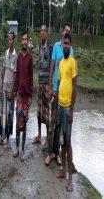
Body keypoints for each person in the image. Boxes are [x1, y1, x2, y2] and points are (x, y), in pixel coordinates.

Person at [45, 23, 74, 167]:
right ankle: (50, 153)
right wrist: (50, 87)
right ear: (62, 31)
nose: (67, 33)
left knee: (62, 127)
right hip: (55, 91)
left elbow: (71, 74)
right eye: (66, 30)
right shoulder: (56, 47)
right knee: (52, 123)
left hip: (65, 96)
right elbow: (52, 67)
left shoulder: (71, 50)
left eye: (69, 31)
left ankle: (58, 155)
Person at [55, 33, 77, 192]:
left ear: (71, 45)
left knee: (68, 142)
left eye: (68, 43)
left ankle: (70, 179)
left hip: (68, 107)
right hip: (60, 106)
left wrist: (72, 111)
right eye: (64, 43)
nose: (66, 46)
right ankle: (62, 169)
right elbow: (60, 82)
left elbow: (75, 87)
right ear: (61, 45)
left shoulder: (73, 62)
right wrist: (57, 107)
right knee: (62, 140)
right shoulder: (61, 63)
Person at [13, 31, 33, 161]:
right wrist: (14, 91)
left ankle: (23, 150)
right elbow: (17, 76)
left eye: (26, 39)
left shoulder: (30, 57)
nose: (24, 42)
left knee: (24, 123)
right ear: (21, 42)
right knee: (18, 123)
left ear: (28, 42)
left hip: (26, 97)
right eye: (23, 40)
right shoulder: (19, 56)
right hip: (19, 96)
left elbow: (31, 78)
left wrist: (31, 96)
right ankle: (16, 147)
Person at [34, 24, 53, 150]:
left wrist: (51, 85)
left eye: (44, 31)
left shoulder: (50, 47)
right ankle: (39, 135)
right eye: (41, 31)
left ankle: (47, 139)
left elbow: (52, 65)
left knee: (46, 112)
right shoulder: (39, 47)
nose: (42, 33)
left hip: (46, 84)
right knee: (39, 111)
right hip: (39, 83)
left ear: (47, 33)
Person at [0, 31, 17, 148]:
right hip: (4, 88)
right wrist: (1, 87)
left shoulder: (16, 55)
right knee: (2, 113)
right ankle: (1, 137)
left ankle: (9, 140)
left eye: (11, 39)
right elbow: (4, 70)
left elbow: (15, 74)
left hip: (10, 90)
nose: (9, 41)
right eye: (8, 39)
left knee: (10, 114)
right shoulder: (6, 53)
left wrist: (11, 91)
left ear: (14, 41)